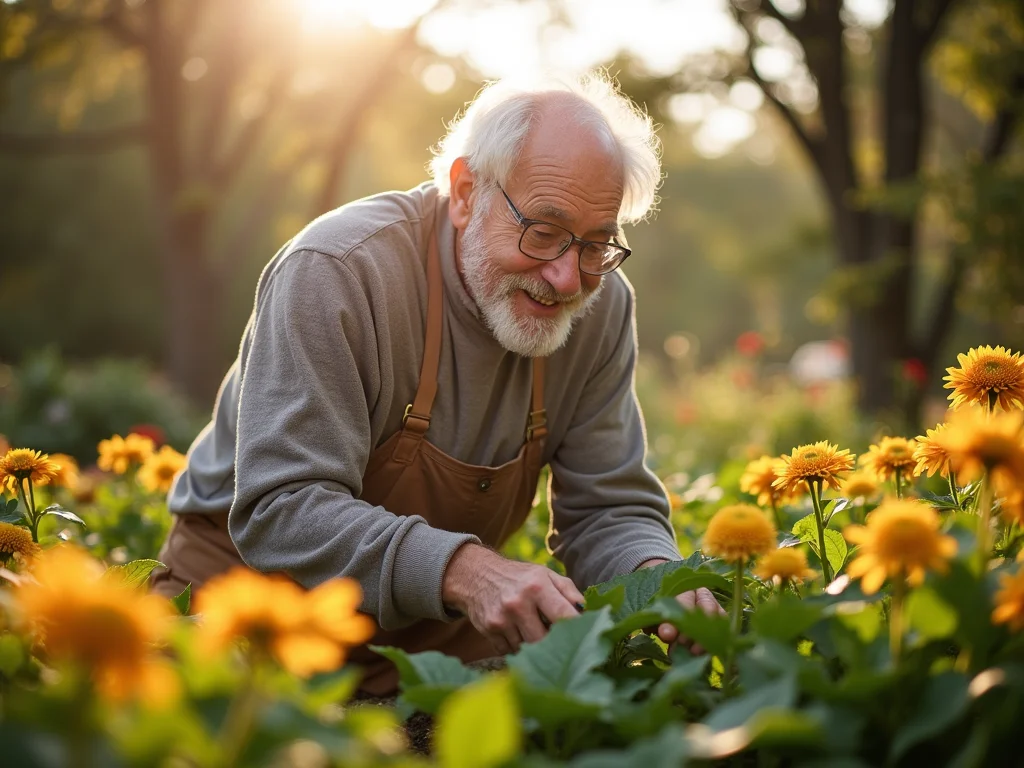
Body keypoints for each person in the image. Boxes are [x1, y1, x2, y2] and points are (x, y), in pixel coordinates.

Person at [151, 71, 721, 694]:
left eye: (595, 245)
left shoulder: (600, 304)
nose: (566, 277)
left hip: (435, 637)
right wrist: (467, 572)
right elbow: (282, 509)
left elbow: (608, 507)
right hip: (255, 617)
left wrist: (658, 577)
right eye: (545, 232)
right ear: (467, 192)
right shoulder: (338, 273)